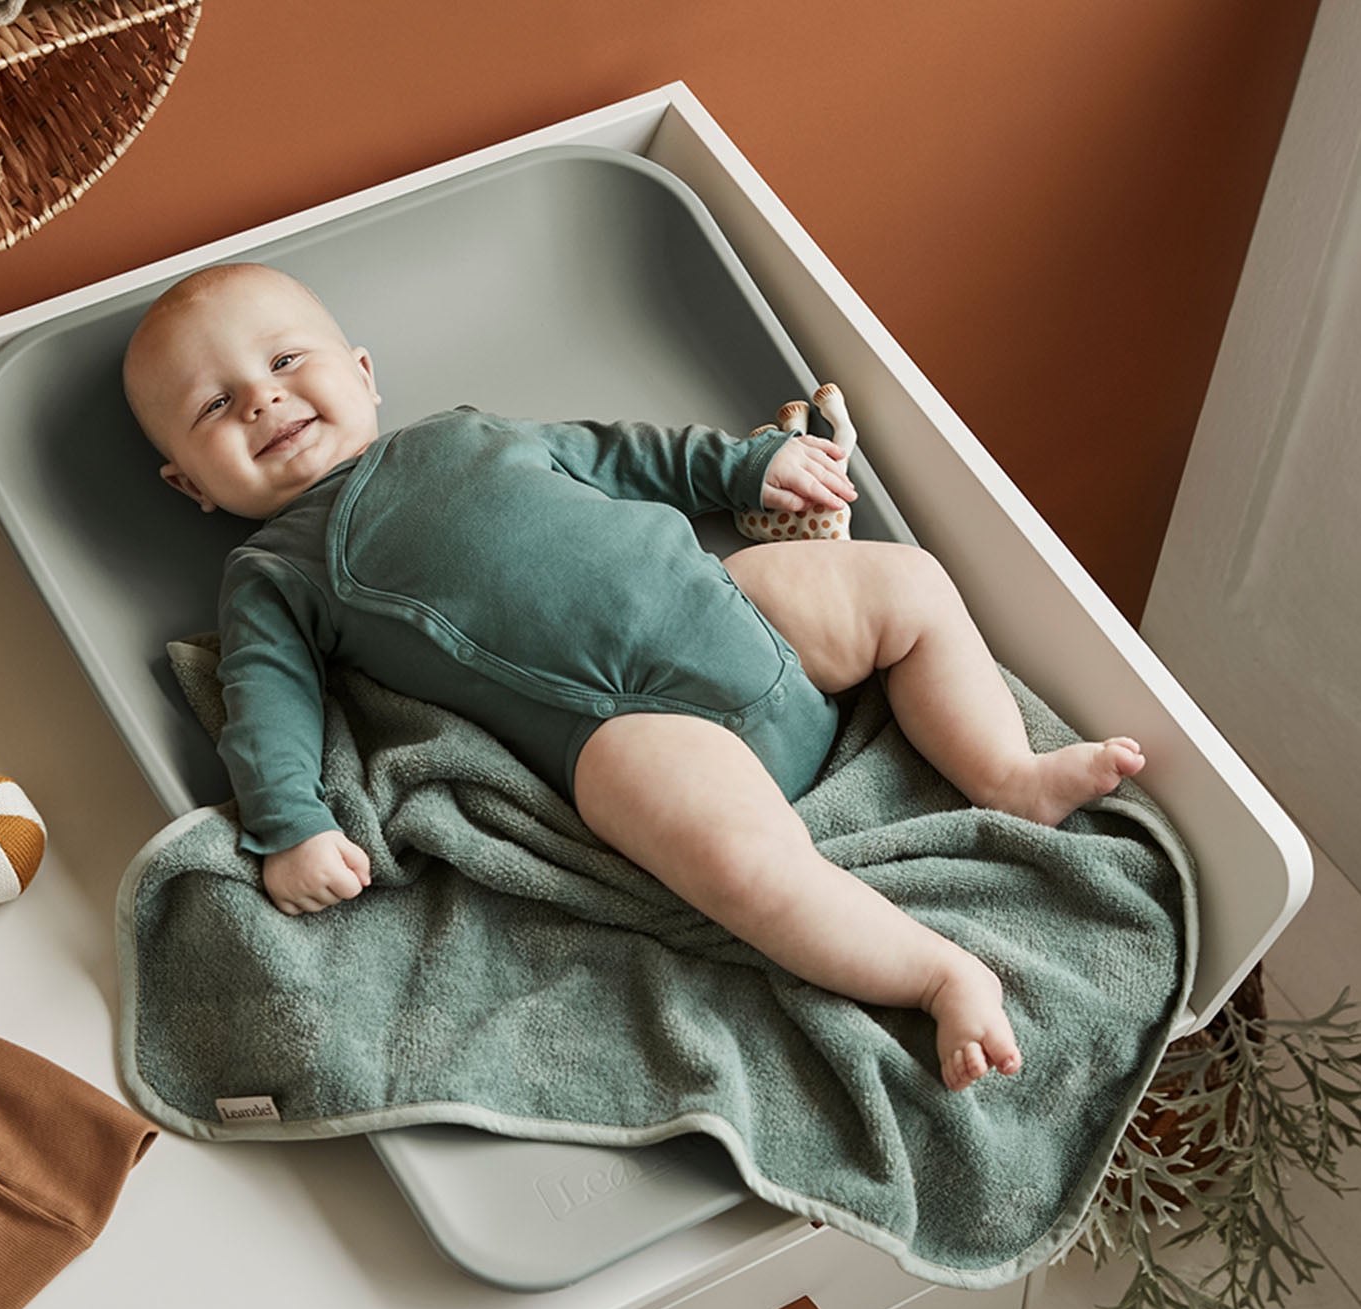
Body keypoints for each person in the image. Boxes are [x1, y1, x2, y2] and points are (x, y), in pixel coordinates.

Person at [122, 261, 1146, 1092]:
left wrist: (744, 468)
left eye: (286, 359)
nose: (264, 398)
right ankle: (936, 974)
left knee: (907, 583)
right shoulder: (272, 569)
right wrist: (292, 824)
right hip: (623, 728)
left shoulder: (470, 433)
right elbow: (267, 702)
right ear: (188, 484)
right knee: (744, 871)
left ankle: (1004, 773)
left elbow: (623, 455)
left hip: (736, 611)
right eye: (216, 406)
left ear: (362, 370)